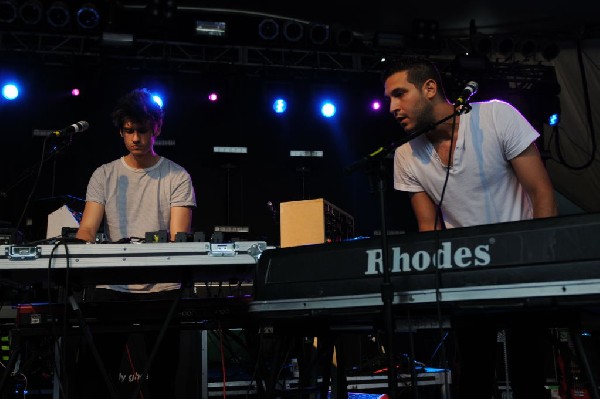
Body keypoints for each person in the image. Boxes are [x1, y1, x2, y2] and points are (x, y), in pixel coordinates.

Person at [383, 56, 558, 398]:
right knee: (474, 375)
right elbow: (428, 226)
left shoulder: (496, 116)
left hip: (523, 263)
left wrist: (544, 261)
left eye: (400, 94)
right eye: (390, 98)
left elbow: (541, 191)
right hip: (466, 274)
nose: (392, 106)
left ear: (429, 88)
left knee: (529, 374)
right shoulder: (405, 155)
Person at [73, 87, 197, 398]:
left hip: (162, 290)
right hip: (113, 287)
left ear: (157, 128)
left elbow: (177, 237)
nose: (136, 139)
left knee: (164, 379)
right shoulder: (104, 175)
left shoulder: (177, 176)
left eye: (142, 130)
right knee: (95, 375)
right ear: (121, 131)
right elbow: (87, 228)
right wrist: (78, 249)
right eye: (129, 131)